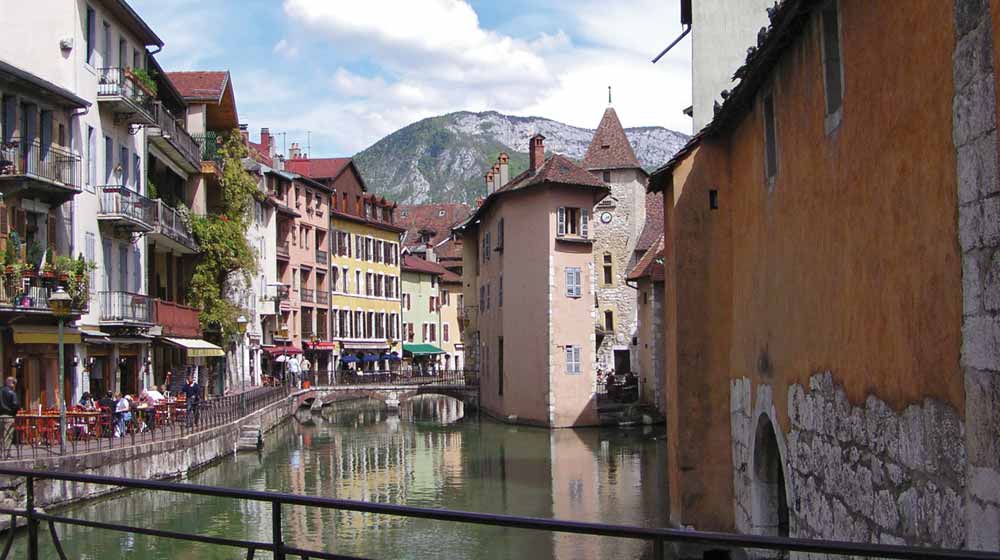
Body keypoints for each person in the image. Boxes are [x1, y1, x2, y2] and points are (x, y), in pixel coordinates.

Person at [0, 377, 19, 458]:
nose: (14, 385)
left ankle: (1, 453)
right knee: (8, 436)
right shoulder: (12, 393)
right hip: (9, 416)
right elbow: (15, 405)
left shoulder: (0, 390)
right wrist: (14, 412)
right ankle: (5, 454)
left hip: (0, 416)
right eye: (14, 383)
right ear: (11, 383)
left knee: (1, 436)